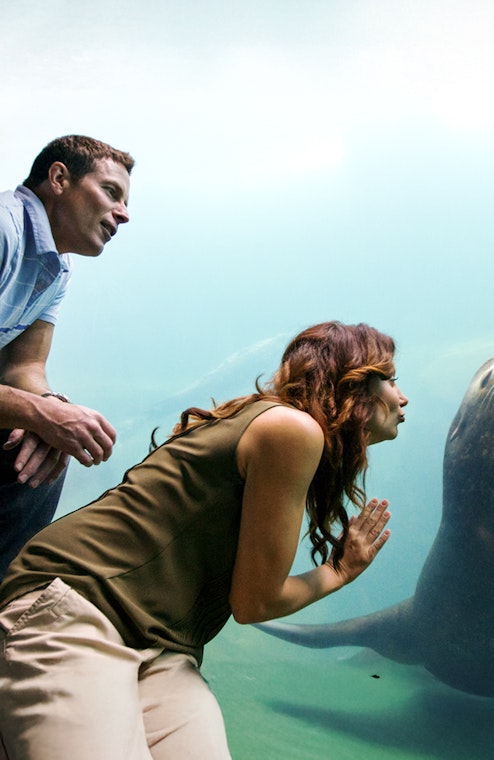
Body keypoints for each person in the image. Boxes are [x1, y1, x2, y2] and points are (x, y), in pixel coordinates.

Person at [0, 321, 403, 758]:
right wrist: (339, 571)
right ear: (354, 382)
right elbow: (255, 604)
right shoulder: (293, 430)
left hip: (166, 650)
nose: (402, 397)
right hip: (80, 608)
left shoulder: (279, 430)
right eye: (392, 380)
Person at [0, 135, 134, 572]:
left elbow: (24, 365)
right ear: (59, 178)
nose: (124, 214)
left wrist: (49, 409)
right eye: (111, 192)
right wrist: (39, 415)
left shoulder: (58, 267)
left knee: (38, 454)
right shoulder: (4, 229)